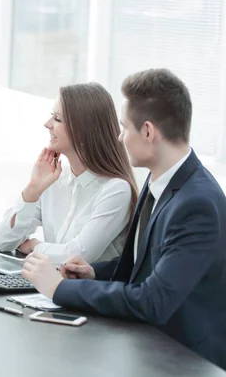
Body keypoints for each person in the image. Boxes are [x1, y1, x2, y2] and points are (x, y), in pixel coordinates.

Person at [22, 69, 226, 370]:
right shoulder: (158, 180)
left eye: (123, 127)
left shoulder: (196, 205)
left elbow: (153, 300)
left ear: (147, 132)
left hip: (184, 361)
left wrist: (59, 289)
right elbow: (142, 265)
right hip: (145, 345)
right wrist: (94, 273)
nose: (118, 137)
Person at [0, 82, 137, 264]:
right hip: (51, 287)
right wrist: (33, 189)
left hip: (85, 291)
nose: (47, 124)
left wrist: (34, 246)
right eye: (51, 116)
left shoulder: (116, 190)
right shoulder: (54, 180)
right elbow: (4, 242)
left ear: (83, 129)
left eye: (57, 118)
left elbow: (77, 256)